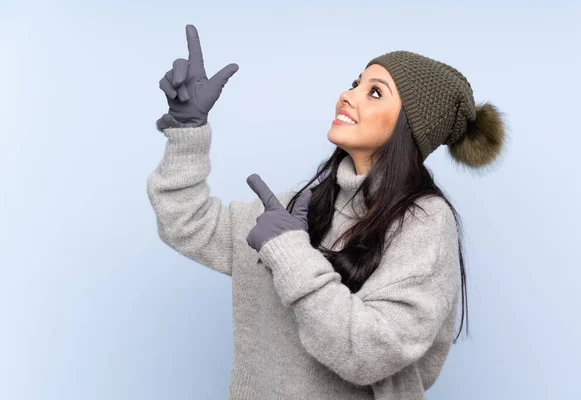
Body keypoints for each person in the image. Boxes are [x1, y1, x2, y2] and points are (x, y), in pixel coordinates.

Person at [147, 24, 506, 400]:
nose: (347, 96)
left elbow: (370, 352)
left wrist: (289, 252)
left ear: (410, 127)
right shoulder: (296, 208)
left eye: (375, 92)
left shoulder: (424, 223)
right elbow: (187, 224)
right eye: (355, 83)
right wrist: (187, 130)